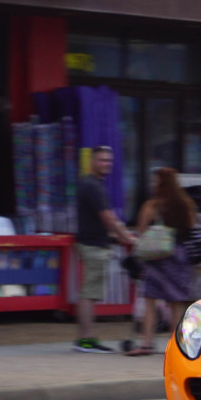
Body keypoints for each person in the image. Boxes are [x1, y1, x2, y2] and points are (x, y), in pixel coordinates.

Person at [125, 167, 198, 356]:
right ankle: (177, 346)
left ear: (161, 183)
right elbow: (190, 228)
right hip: (179, 256)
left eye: (155, 181)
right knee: (176, 303)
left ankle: (147, 344)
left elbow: (140, 231)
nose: (152, 184)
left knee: (150, 301)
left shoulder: (153, 206)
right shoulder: (186, 204)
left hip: (156, 258)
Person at [74, 146, 133, 353]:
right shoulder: (92, 186)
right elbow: (107, 217)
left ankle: (86, 338)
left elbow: (105, 218)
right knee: (89, 293)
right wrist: (126, 237)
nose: (106, 164)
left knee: (90, 292)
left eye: (109, 161)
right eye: (102, 160)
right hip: (93, 245)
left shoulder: (92, 184)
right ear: (92, 161)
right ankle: (86, 340)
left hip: (94, 242)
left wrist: (119, 235)